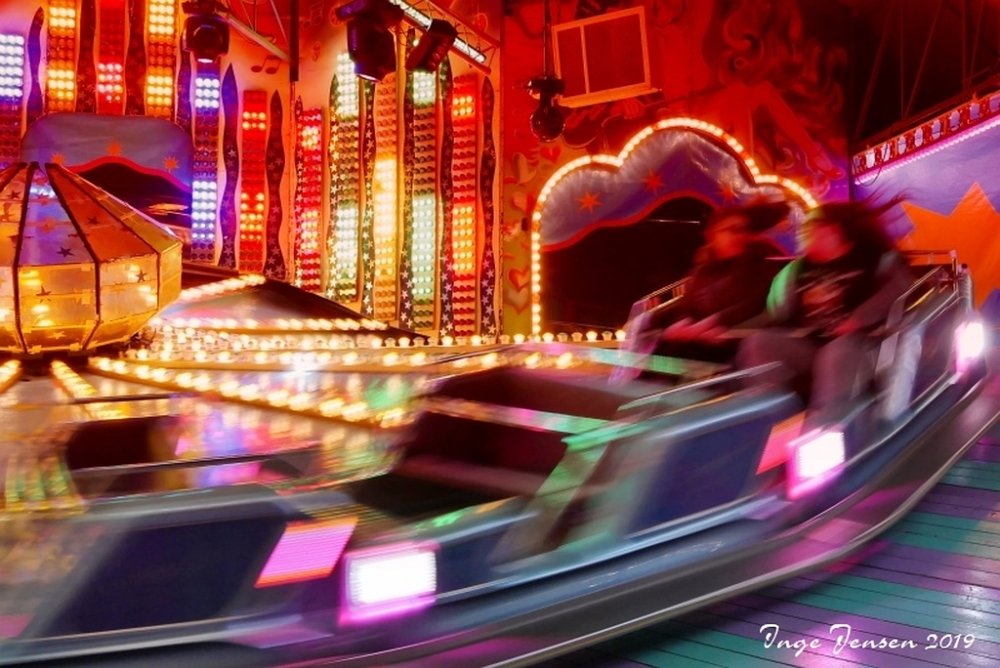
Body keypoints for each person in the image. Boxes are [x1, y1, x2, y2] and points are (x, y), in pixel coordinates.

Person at [737, 197, 911, 424]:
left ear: (832, 230)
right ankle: (769, 419)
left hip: (865, 346)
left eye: (809, 226)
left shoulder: (876, 259)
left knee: (836, 352)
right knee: (759, 343)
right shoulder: (797, 269)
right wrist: (725, 329)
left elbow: (899, 288)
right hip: (812, 346)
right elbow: (774, 315)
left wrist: (858, 319)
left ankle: (824, 426)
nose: (801, 232)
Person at [660, 198, 790, 346]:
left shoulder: (759, 264)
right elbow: (687, 308)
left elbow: (753, 305)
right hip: (700, 342)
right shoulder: (700, 272)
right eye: (733, 229)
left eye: (743, 230)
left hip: (742, 342)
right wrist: (682, 323)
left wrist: (714, 323)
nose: (740, 235)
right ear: (713, 236)